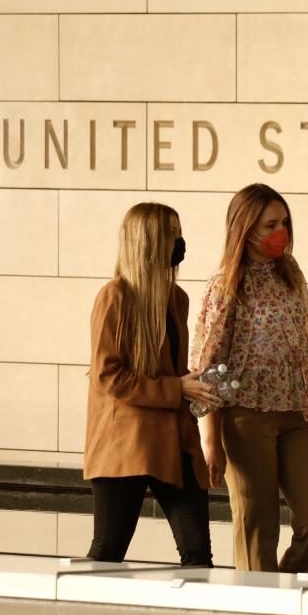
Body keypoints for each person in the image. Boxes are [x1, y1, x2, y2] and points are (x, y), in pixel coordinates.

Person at [191, 183, 308, 573]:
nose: (280, 231)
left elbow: (307, 351)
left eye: (284, 222)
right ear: (246, 228)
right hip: (245, 416)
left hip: (298, 413)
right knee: (259, 529)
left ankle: (281, 595)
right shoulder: (225, 284)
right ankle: (258, 614)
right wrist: (212, 442)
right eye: (271, 223)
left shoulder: (291, 274)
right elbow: (209, 366)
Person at [85, 202, 219, 566]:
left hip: (175, 443)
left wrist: (195, 388)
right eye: (171, 233)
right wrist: (178, 388)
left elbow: (172, 371)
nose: (180, 241)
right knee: (107, 551)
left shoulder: (177, 299)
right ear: (148, 241)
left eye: (179, 231)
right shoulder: (114, 298)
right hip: (125, 447)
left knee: (197, 556)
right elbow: (109, 375)